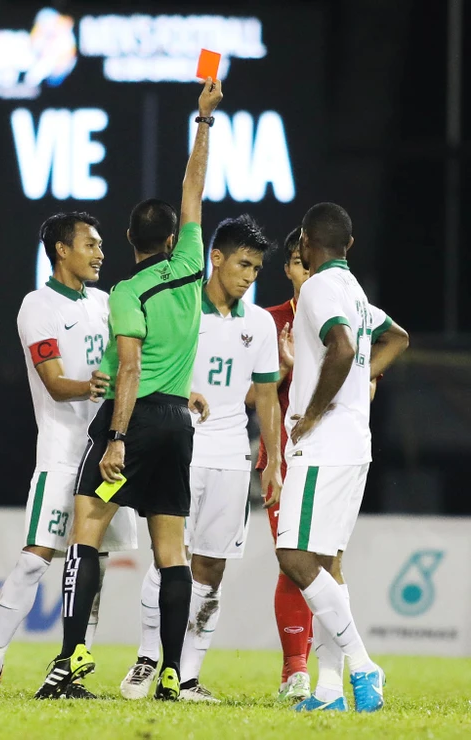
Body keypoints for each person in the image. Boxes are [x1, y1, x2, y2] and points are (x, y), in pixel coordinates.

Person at [34, 76, 223, 701]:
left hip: (134, 422)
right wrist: (203, 121)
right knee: (171, 553)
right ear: (171, 238)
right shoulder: (192, 263)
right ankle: (171, 672)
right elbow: (193, 188)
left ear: (127, 242)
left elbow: (132, 368)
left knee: (85, 533)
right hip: (177, 426)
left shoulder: (124, 293)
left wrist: (115, 436)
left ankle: (69, 660)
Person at [0, 212, 139, 699]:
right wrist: (93, 385)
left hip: (103, 454)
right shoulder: (37, 306)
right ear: (61, 249)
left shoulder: (105, 303)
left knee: (93, 565)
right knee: (35, 560)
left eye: (101, 245)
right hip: (61, 454)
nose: (100, 254)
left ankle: (70, 671)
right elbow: (54, 383)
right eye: (90, 244)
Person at [126, 215, 283, 702]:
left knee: (212, 568)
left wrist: (273, 460)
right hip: (181, 448)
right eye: (243, 264)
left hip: (232, 456)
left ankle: (187, 676)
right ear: (215, 258)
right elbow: (143, 366)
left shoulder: (259, 324)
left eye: (256, 269)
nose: (249, 276)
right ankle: (148, 658)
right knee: (169, 559)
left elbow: (267, 396)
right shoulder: (180, 308)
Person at [275, 202, 408, 713]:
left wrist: (311, 413)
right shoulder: (355, 291)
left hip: (324, 444)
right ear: (348, 245)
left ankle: (363, 663)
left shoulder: (317, 288)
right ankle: (329, 692)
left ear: (306, 243)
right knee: (327, 564)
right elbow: (397, 337)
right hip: (355, 443)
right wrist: (359, 381)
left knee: (295, 558)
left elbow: (342, 346)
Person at [254, 227, 315, 701]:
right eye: (297, 262)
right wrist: (285, 368)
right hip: (286, 458)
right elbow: (249, 394)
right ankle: (295, 669)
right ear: (288, 269)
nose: (305, 271)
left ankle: (330, 669)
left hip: (334, 456)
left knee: (325, 563)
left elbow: (368, 389)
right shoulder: (269, 323)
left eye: (310, 263)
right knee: (295, 561)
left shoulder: (344, 322)